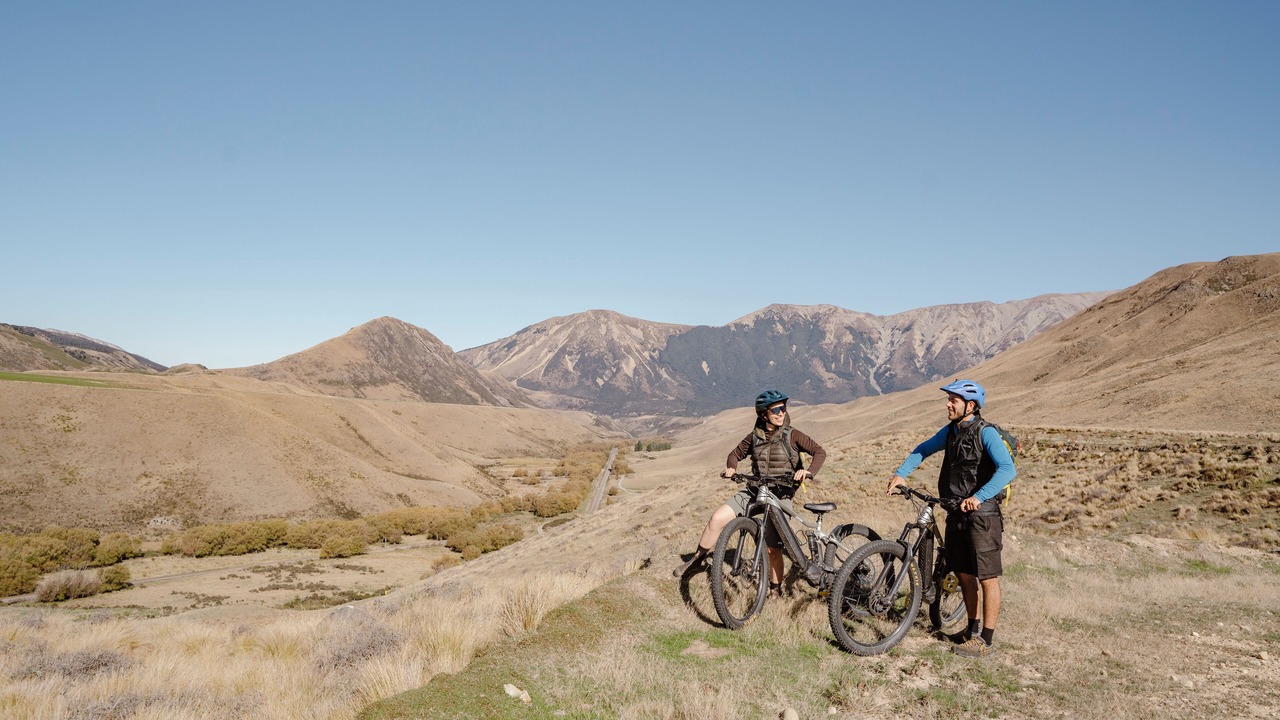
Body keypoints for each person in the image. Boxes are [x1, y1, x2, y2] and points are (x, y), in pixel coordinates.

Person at [886, 379, 1015, 658]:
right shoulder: (950, 432)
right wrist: (901, 473)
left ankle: (986, 641)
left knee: (987, 578)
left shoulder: (986, 433)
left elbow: (1007, 470)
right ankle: (971, 629)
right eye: (948, 399)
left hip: (983, 516)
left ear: (970, 406)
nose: (947, 404)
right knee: (965, 575)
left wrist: (979, 497)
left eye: (953, 400)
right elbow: (922, 449)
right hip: (956, 511)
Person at [672, 390, 827, 596]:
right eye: (776, 410)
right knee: (717, 519)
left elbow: (819, 452)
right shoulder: (754, 437)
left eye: (783, 408)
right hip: (756, 489)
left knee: (773, 549)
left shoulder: (793, 435)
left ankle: (774, 590)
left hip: (781, 495)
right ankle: (697, 560)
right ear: (764, 414)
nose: (782, 413)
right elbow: (734, 454)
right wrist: (731, 468)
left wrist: (808, 471)